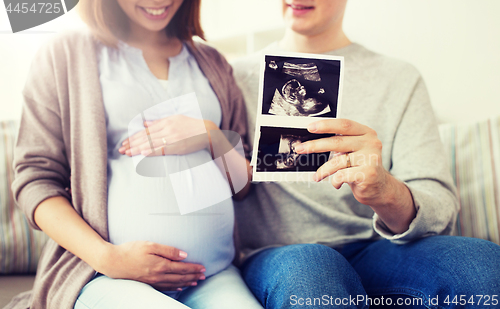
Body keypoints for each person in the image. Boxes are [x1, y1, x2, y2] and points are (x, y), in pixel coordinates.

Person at [232, 1, 500, 308]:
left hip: (376, 249)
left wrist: (385, 191)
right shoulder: (234, 77)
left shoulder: (398, 78)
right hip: (280, 254)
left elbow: (440, 208)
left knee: (481, 264)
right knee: (312, 270)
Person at [9, 0, 261, 308]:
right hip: (106, 277)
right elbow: (35, 180)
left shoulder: (213, 62)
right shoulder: (66, 53)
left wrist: (211, 135)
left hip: (214, 274)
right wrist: (108, 259)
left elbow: (243, 186)